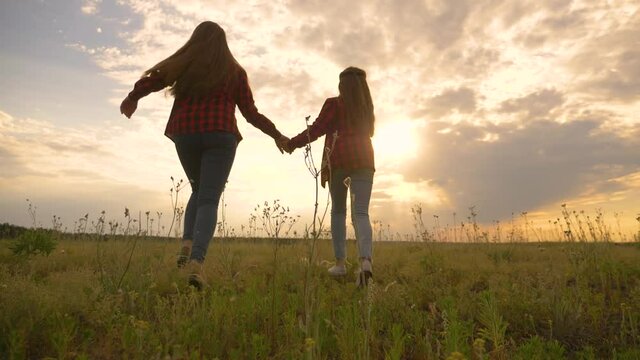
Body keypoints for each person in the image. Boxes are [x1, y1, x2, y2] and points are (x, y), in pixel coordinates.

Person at [120, 21, 288, 289]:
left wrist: (132, 98)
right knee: (209, 199)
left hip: (185, 134)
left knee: (198, 190)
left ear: (194, 40)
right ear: (224, 44)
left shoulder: (185, 64)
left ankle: (186, 248)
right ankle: (197, 264)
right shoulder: (234, 71)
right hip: (220, 135)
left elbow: (153, 81)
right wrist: (277, 135)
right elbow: (250, 113)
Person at [284, 67, 375, 287]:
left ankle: (340, 264)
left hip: (339, 160)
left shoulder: (334, 104)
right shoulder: (366, 108)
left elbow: (316, 129)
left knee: (338, 211)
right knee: (361, 212)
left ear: (341, 86)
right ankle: (365, 263)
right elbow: (370, 133)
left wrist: (292, 143)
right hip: (364, 159)